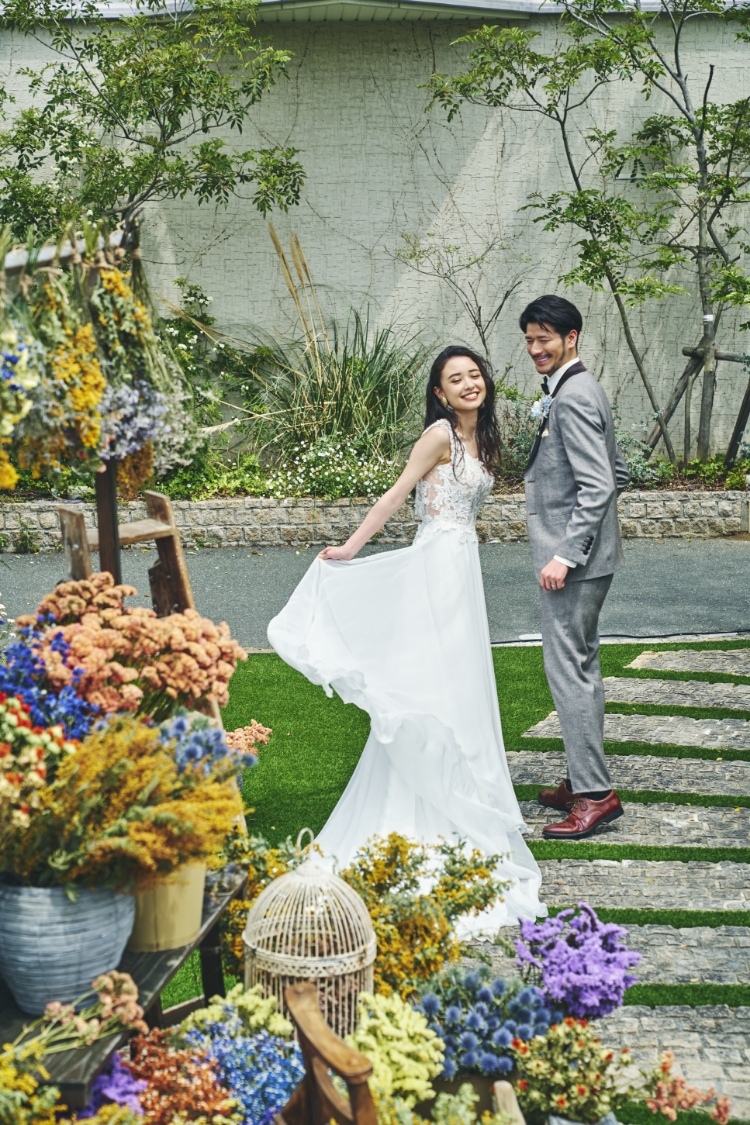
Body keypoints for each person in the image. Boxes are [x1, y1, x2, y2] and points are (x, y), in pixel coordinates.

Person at [268, 345, 544, 933]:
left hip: (462, 569)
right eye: (455, 379)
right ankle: (424, 806)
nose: (468, 384)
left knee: (462, 684)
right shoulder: (439, 435)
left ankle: (466, 795)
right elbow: (397, 494)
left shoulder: (480, 438)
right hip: (436, 567)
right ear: (439, 393)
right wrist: (351, 548)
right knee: (431, 682)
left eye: (474, 375)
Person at [521, 295, 630, 840]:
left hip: (574, 566)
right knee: (580, 669)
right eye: (529, 340)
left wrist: (567, 553)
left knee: (569, 674)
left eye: (545, 338)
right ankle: (581, 778)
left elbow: (600, 483)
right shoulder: (575, 388)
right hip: (589, 559)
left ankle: (595, 796)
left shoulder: (573, 396)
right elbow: (618, 471)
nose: (535, 348)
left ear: (571, 338)